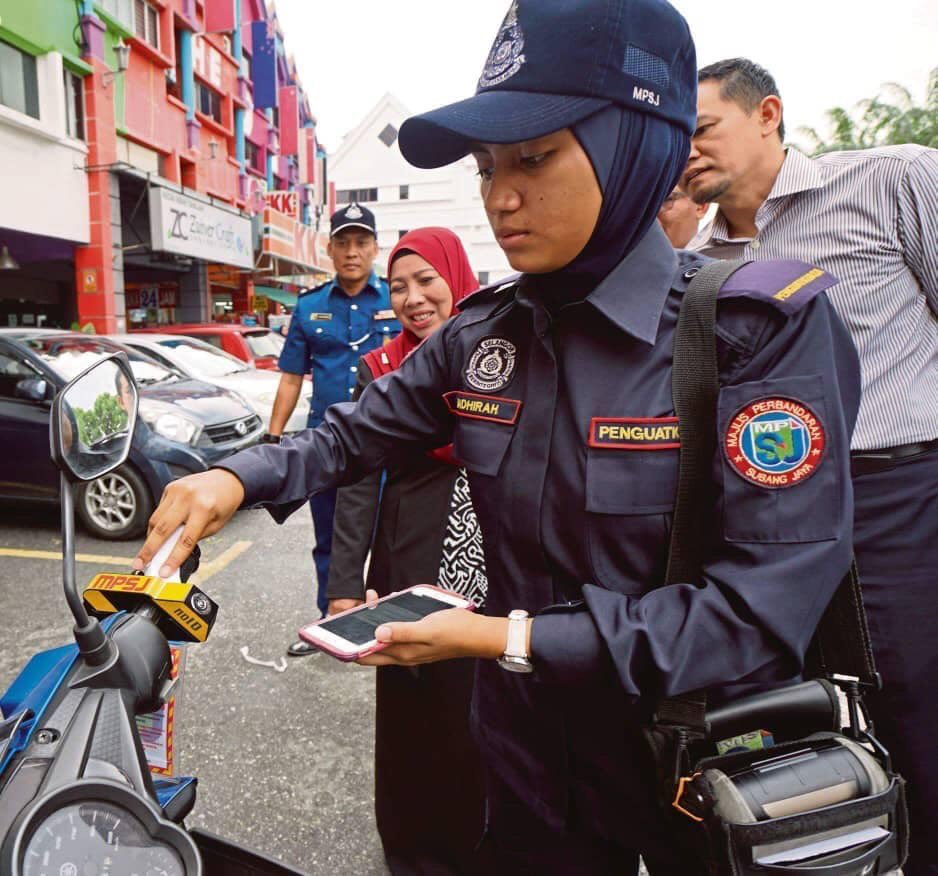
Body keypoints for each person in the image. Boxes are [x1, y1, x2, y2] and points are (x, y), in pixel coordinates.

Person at [133, 1, 861, 871]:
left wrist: (505, 638)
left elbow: (757, 612)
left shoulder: (755, 330)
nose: (502, 195)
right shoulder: (486, 335)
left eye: (535, 157)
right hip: (526, 762)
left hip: (699, 766)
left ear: (638, 144)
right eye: (486, 167)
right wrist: (234, 479)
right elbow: (351, 437)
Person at [684, 58, 938, 872]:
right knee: (802, 730)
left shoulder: (890, 181)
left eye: (701, 129)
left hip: (901, 496)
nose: (685, 152)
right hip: (774, 522)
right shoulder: (702, 258)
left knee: (920, 709)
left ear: (768, 114)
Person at [328, 227, 488, 875]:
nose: (413, 298)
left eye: (427, 280)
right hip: (410, 559)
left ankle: (483, 838)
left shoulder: (502, 351)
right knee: (410, 714)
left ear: (457, 276)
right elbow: (358, 482)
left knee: (482, 707)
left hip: (494, 556)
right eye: (398, 287)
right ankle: (414, 850)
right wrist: (344, 584)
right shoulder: (381, 370)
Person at [266, 203, 400, 656]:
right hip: (327, 445)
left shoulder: (397, 299)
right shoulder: (309, 306)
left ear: (375, 248)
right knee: (327, 535)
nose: (352, 252)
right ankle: (332, 618)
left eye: (361, 242)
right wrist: (272, 437)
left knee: (388, 532)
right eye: (343, 242)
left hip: (388, 442)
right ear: (329, 249)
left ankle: (386, 622)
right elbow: (290, 377)